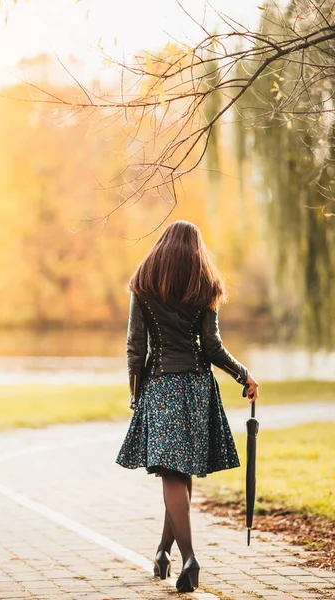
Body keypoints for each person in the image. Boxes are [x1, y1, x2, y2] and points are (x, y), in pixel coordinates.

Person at [116, 220, 259, 594]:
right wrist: (243, 375)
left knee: (171, 472)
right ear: (197, 250)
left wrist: (135, 393)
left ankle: (190, 558)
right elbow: (211, 347)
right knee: (179, 471)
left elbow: (136, 348)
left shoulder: (143, 284)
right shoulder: (206, 284)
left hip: (161, 385)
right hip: (197, 385)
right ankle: (163, 552)